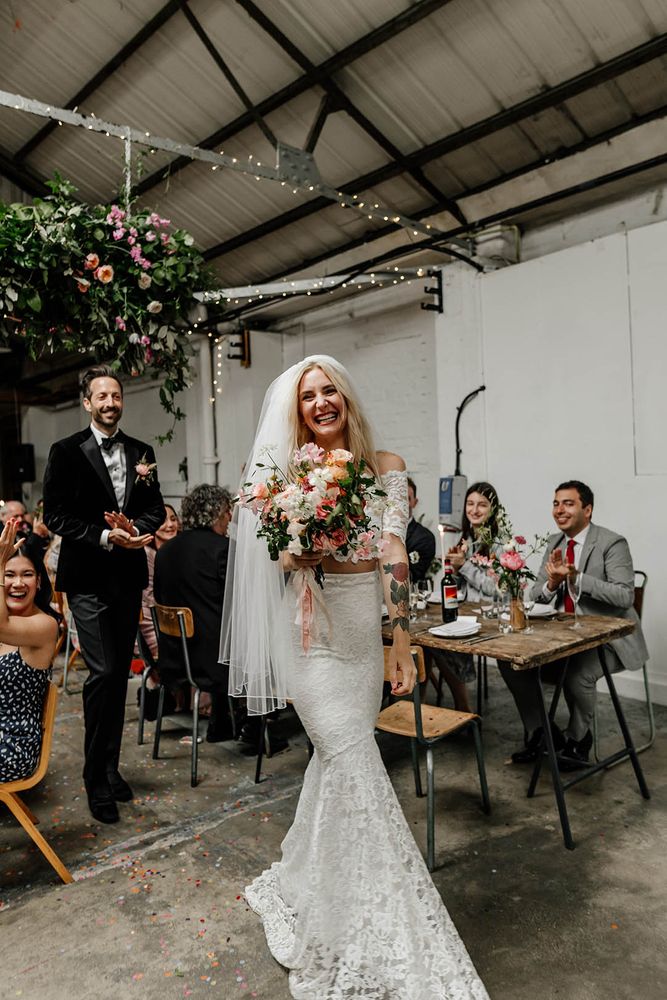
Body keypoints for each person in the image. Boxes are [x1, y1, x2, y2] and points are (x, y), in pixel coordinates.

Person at [221, 356, 489, 999]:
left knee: (337, 766)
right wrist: (303, 543)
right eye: (308, 396)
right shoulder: (286, 477)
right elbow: (282, 557)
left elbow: (393, 553)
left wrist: (401, 640)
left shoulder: (386, 470)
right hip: (311, 643)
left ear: (347, 399)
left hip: (363, 641)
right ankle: (371, 916)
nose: (320, 402)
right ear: (298, 412)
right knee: (351, 760)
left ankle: (312, 879)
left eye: (329, 391)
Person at [43, 364, 165, 823]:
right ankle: (95, 779)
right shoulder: (65, 451)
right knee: (104, 673)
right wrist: (102, 536)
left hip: (128, 576)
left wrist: (139, 531)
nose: (111, 402)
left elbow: (154, 508)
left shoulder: (142, 451)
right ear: (87, 402)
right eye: (102, 396)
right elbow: (55, 515)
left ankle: (110, 769)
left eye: (116, 395)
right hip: (88, 580)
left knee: (116, 679)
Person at [500, 480, 648, 770]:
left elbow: (624, 594)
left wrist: (577, 578)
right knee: (511, 663)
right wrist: (553, 583)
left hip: (609, 641)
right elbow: (535, 594)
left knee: (577, 673)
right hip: (562, 637)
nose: (559, 509)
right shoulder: (554, 544)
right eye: (556, 503)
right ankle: (543, 733)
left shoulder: (612, 543)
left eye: (568, 503)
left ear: (587, 509)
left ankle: (579, 740)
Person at [153, 485, 235, 743]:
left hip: (175, 655)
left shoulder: (165, 551)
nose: (229, 518)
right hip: (213, 661)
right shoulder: (223, 549)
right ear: (216, 513)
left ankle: (223, 723)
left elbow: (158, 597)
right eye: (226, 512)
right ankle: (254, 728)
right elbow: (238, 603)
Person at [431, 482, 502, 713]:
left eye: (482, 505)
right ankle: (440, 709)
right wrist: (452, 569)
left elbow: (498, 589)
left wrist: (465, 567)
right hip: (467, 613)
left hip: (490, 616)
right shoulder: (465, 540)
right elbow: (460, 588)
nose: (475, 510)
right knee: (428, 642)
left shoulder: (501, 544)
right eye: (470, 504)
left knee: (444, 644)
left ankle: (463, 708)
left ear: (493, 509)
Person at [0, 519, 59, 782]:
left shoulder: (45, 625)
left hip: (13, 744)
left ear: (39, 581)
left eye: (26, 574)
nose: (17, 583)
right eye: (9, 574)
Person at [139, 503, 181, 659]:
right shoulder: (148, 554)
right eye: (163, 521)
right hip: (154, 625)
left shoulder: (179, 550)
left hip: (176, 622)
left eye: (173, 519)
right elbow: (149, 599)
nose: (170, 525)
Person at [405, 477, 436, 582]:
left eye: (406, 499)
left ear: (415, 502)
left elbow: (414, 575)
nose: (401, 504)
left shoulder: (425, 537)